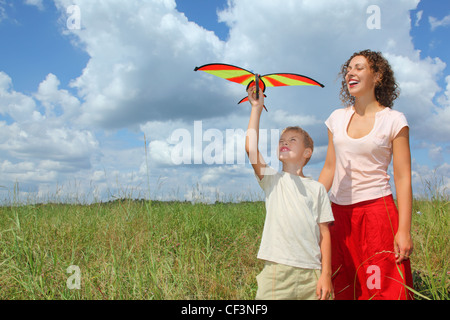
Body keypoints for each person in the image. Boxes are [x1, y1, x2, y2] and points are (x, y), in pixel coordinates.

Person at [318, 49, 414, 300]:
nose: (351, 72)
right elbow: (329, 167)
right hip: (338, 214)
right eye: (348, 69)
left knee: (384, 287)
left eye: (359, 67)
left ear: (378, 75)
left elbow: (403, 177)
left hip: (378, 213)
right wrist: (311, 204)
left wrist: (403, 229)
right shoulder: (336, 119)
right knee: (344, 284)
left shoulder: (394, 120)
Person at [245, 84, 335, 300]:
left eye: (292, 140)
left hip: (312, 273)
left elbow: (325, 234)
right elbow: (250, 148)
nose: (284, 143)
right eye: (281, 141)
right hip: (277, 272)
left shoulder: (318, 189)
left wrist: (326, 274)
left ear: (307, 152)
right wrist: (256, 108)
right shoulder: (272, 180)